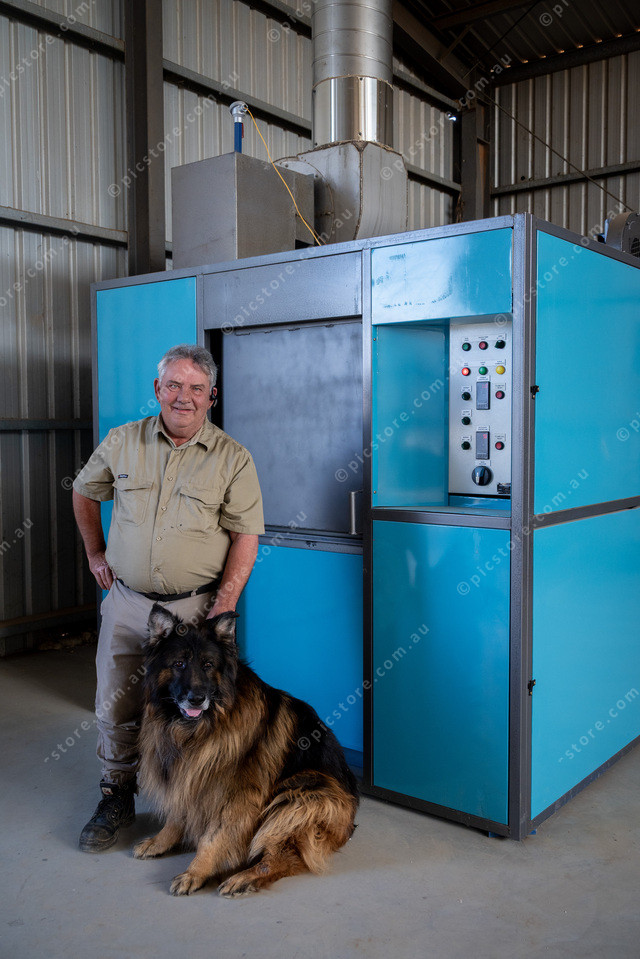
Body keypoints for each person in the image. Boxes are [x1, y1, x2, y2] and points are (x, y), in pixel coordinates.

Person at [72, 343, 264, 852]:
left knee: (191, 708)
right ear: (158, 389)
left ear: (211, 397)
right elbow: (83, 491)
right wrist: (95, 553)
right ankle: (116, 795)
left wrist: (224, 605)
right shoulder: (123, 441)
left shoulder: (233, 458)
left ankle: (184, 805)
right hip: (128, 602)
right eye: (174, 385)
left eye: (196, 388)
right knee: (116, 701)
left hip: (193, 613)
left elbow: (246, 536)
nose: (184, 397)